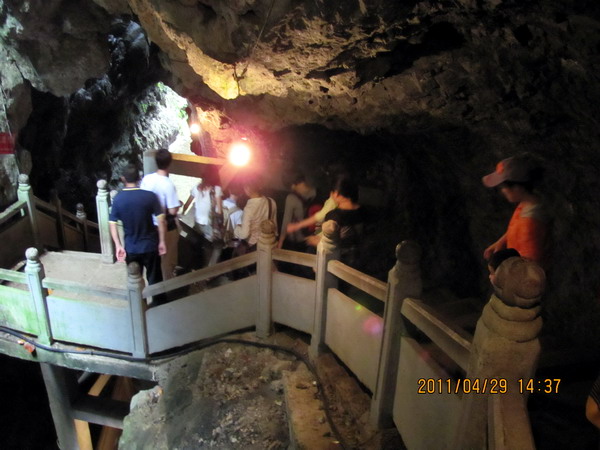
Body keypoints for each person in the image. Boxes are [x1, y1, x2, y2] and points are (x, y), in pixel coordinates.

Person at [109, 164, 167, 300]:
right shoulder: (150, 196)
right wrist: (162, 241)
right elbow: (161, 221)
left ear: (123, 178)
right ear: (139, 178)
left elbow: (112, 223)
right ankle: (159, 306)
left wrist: (118, 245)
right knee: (155, 280)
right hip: (150, 246)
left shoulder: (118, 199)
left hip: (131, 248)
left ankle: (139, 306)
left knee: (134, 281)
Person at [482, 155, 549, 267]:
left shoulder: (530, 224)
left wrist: (499, 274)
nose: (502, 191)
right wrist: (500, 242)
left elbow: (531, 268)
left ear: (517, 187)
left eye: (504, 186)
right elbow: (516, 227)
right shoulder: (527, 204)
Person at [140, 149, 180, 280]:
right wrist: (178, 204)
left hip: (148, 224)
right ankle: (167, 283)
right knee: (166, 259)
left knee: (153, 258)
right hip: (163, 225)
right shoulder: (168, 184)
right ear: (170, 163)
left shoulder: (147, 179)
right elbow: (172, 211)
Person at [182, 165, 224, 267]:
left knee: (200, 245)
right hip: (209, 224)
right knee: (217, 246)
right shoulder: (216, 189)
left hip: (197, 223)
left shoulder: (197, 187)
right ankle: (210, 269)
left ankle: (198, 266)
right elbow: (219, 210)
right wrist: (220, 224)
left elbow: (187, 204)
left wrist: (183, 212)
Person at [234, 175, 277, 252]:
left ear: (247, 188)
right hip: (268, 244)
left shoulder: (249, 208)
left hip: (252, 246)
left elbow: (244, 234)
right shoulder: (271, 202)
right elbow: (274, 226)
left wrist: (236, 228)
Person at [278, 172, 316, 250]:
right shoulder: (317, 193)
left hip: (300, 241)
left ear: (292, 185)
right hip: (316, 239)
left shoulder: (291, 198)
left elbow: (286, 223)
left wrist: (280, 243)